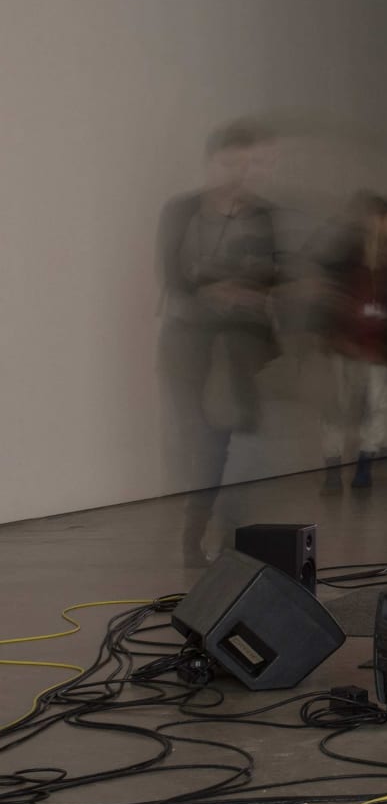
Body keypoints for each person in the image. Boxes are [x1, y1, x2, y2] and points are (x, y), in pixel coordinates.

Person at [157, 120, 281, 563]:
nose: (239, 174)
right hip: (190, 345)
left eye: (247, 164)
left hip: (239, 347)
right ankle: (194, 537)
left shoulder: (261, 215)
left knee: (241, 444)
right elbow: (173, 276)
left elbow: (269, 275)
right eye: (231, 163)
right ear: (211, 163)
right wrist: (215, 288)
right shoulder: (182, 211)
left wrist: (237, 289)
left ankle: (227, 538)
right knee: (206, 443)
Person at [317, 194, 387, 492]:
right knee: (337, 409)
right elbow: (331, 296)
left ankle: (364, 468)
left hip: (378, 349)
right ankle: (334, 472)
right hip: (346, 346)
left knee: (377, 408)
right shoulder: (348, 255)